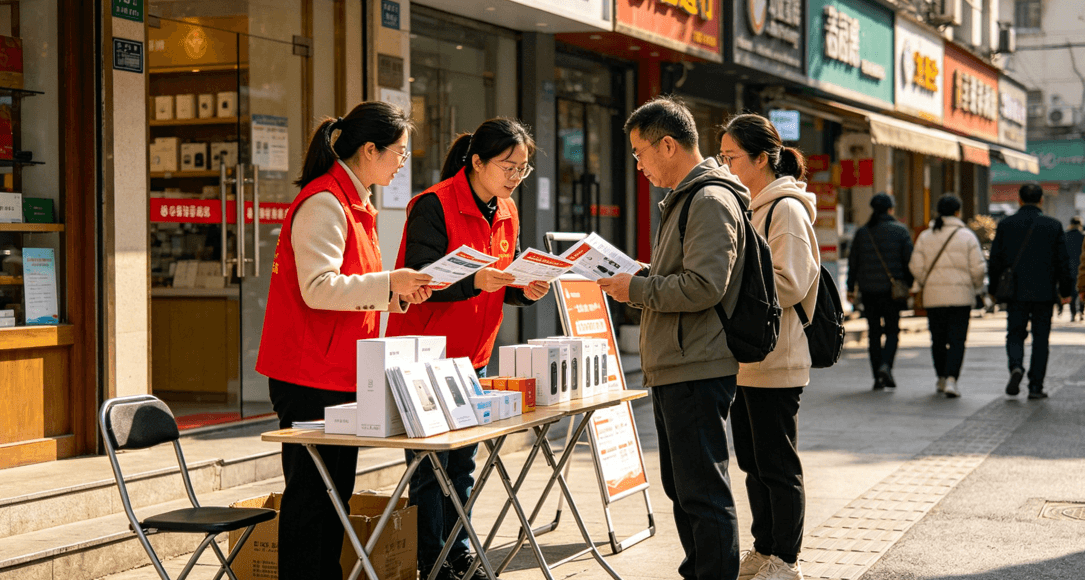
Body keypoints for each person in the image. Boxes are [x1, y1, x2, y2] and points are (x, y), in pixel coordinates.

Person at [255, 102, 433, 580]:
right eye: (399, 151)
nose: (403, 161)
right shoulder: (325, 202)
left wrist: (397, 294)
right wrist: (390, 282)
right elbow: (318, 288)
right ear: (369, 149)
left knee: (334, 493)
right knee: (313, 496)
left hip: (337, 368)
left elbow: (359, 284)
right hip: (308, 372)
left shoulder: (353, 200)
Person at [385, 118, 549, 580]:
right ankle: (432, 565)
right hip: (424, 357)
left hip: (471, 357)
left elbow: (498, 282)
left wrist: (522, 290)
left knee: (463, 465)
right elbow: (418, 280)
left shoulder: (507, 210)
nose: (515, 177)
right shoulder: (432, 206)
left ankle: (458, 557)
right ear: (476, 162)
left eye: (523, 168)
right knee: (430, 469)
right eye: (508, 166)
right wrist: (473, 280)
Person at [598, 96, 747, 580]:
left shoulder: (708, 199)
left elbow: (706, 285)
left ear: (668, 144)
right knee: (683, 487)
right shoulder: (687, 197)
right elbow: (686, 274)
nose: (637, 164)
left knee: (702, 489)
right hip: (678, 362)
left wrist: (635, 287)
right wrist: (639, 275)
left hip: (697, 364)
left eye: (640, 152)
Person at [717, 114, 818, 580]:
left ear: (761, 158)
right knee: (753, 461)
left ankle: (787, 559)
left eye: (731, 157)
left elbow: (791, 282)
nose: (726, 165)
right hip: (748, 359)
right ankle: (763, 547)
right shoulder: (750, 205)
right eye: (723, 157)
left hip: (778, 358)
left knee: (778, 463)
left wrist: (729, 284)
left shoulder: (786, 210)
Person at [988, 183, 1074, 400]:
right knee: (1041, 340)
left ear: (1019, 200)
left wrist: (993, 290)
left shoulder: (1006, 224)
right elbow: (1063, 263)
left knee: (1015, 333)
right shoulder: (1053, 226)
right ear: (1041, 200)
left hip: (1015, 292)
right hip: (1044, 293)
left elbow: (995, 261)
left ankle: (1016, 366)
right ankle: (1036, 386)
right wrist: (1066, 291)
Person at [908, 194, 986, 398]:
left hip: (934, 297)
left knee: (938, 339)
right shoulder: (967, 236)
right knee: (958, 340)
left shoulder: (926, 236)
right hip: (961, 298)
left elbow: (915, 266)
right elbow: (978, 269)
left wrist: (927, 281)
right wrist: (975, 287)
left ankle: (941, 378)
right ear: (958, 212)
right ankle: (952, 379)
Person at [846, 193, 914, 390]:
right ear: (891, 209)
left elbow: (854, 263)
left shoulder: (862, 232)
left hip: (869, 291)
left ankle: (877, 376)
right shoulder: (900, 231)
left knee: (874, 333)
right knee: (893, 331)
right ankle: (886, 366)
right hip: (893, 293)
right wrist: (908, 285)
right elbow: (909, 262)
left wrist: (851, 288)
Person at [1065, 217, 1083, 320]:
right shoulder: (1083, 237)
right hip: (1081, 269)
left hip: (1069, 268)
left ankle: (1073, 313)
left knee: (1072, 292)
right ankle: (1081, 311)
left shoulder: (1065, 236)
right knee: (1081, 290)